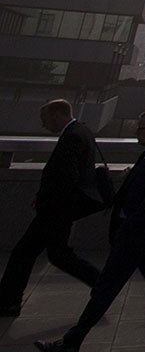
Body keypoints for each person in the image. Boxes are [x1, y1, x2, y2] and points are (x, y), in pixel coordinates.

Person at [34, 107, 145, 352]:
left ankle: (72, 342)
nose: (136, 132)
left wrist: (129, 226)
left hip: (138, 237)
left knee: (106, 289)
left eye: (141, 127)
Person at [0, 99, 104, 317]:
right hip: (60, 208)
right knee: (59, 255)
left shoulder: (73, 136)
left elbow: (66, 176)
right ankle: (103, 285)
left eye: (45, 119)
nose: (44, 124)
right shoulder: (82, 131)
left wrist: (48, 202)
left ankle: (9, 302)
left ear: (57, 115)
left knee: (23, 253)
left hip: (55, 209)